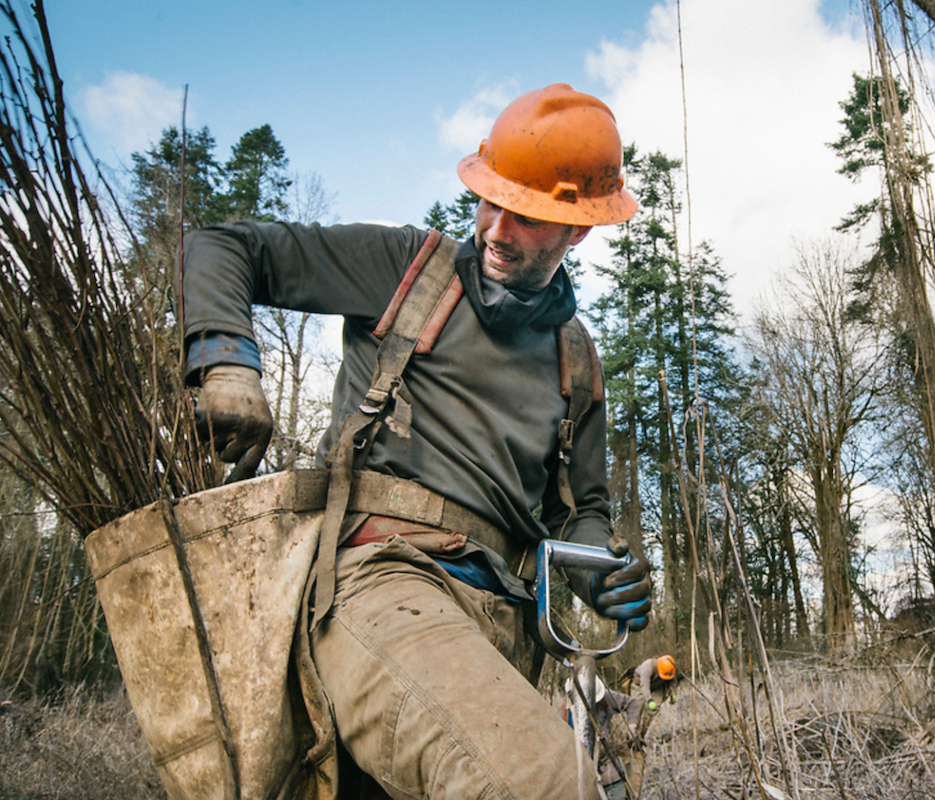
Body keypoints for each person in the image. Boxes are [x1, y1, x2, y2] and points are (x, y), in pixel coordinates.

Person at [181, 84, 651, 799]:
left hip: (504, 630)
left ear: (576, 231)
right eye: (488, 200)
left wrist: (603, 570)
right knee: (545, 784)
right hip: (382, 582)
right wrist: (226, 363)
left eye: (523, 216)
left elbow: (581, 511)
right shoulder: (407, 268)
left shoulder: (576, 361)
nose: (494, 229)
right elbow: (222, 245)